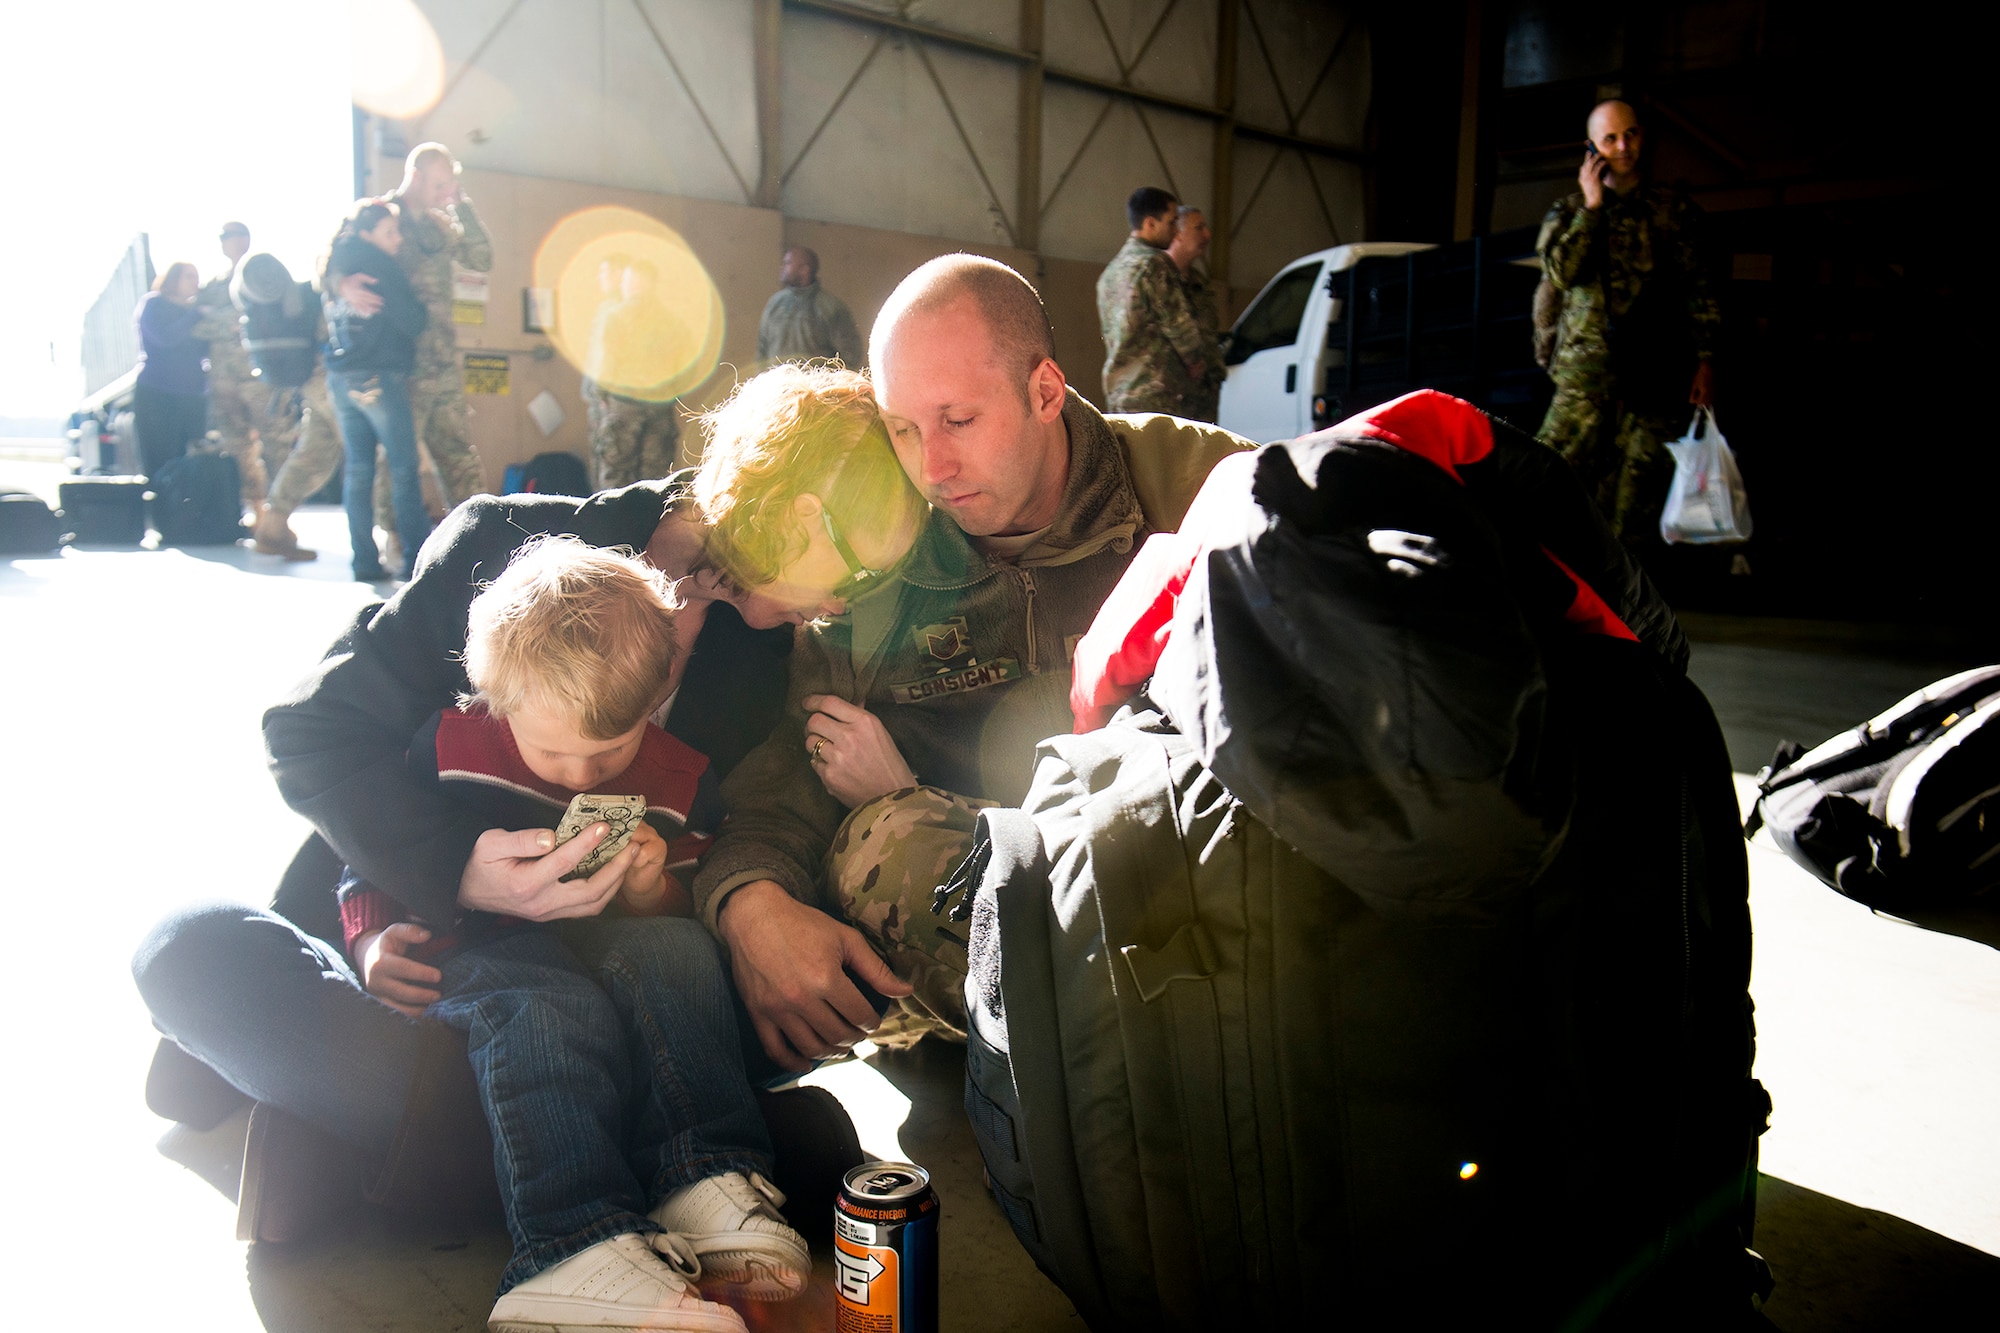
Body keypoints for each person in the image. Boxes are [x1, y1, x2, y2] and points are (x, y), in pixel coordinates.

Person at [132, 363, 923, 1259]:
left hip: (604, 994)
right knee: (184, 949)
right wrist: (452, 870)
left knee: (733, 1014)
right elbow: (310, 730)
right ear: (801, 520)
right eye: (855, 573)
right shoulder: (500, 550)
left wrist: (739, 901)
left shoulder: (760, 652)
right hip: (433, 963)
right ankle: (613, 1165)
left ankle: (403, 1146)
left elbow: (734, 823)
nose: (845, 604)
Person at [696, 254, 1254, 1069]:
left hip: (1188, 872)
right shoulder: (877, 566)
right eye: (903, 428)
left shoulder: (1192, 487)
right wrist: (748, 905)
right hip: (1000, 912)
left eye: (957, 421)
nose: (930, 469)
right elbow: (781, 788)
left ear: (1045, 392)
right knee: (877, 853)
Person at [333, 536, 806, 1330]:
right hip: (479, 957)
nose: (582, 777)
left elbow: (688, 904)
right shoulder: (449, 745)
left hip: (608, 951)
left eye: (611, 750)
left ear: (657, 695)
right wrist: (371, 939)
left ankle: (709, 1179)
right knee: (548, 999)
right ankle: (567, 1244)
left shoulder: (678, 774)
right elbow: (373, 852)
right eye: (552, 750)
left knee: (680, 951)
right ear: (497, 698)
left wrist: (657, 887)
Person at [1538, 99, 1719, 545]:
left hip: (1656, 371)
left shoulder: (1673, 211)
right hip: (1587, 374)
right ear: (1591, 148)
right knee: (1549, 475)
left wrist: (1705, 360)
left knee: (1637, 494)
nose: (1623, 146)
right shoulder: (1568, 212)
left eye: (1631, 134)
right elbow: (1561, 274)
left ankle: (1620, 595)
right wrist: (1592, 208)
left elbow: (1699, 289)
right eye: (1610, 138)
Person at [332, 142, 493, 511]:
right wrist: (339, 284)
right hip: (397, 359)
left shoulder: (439, 224)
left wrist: (461, 206)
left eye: (448, 186)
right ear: (415, 176)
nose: (443, 193)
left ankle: (480, 529)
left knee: (458, 452)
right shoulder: (378, 217)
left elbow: (481, 258)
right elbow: (332, 261)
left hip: (441, 358)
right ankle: (394, 537)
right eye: (439, 185)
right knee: (398, 459)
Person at [326, 199, 431, 581]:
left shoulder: (336, 265)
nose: (398, 239)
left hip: (342, 379)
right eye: (391, 231)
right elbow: (412, 320)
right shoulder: (379, 265)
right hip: (379, 377)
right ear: (367, 233)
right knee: (403, 469)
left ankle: (364, 562)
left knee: (358, 471)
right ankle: (418, 563)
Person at [232, 251, 339, 560]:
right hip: (329, 380)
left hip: (311, 381)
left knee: (313, 453)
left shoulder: (274, 301)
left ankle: (273, 527)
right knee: (373, 452)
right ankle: (397, 540)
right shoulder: (314, 291)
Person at [1095, 186, 1215, 415]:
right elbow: (1179, 324)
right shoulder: (1155, 264)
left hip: (1120, 392)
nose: (1174, 231)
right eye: (1171, 223)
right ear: (1150, 224)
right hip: (1156, 393)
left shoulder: (1111, 272)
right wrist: (1196, 361)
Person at [582, 254, 687, 489]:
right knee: (657, 481)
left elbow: (605, 365)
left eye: (628, 280)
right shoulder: (673, 322)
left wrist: (600, 398)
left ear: (638, 282)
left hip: (622, 408)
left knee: (615, 478)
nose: (624, 286)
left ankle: (613, 526)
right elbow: (684, 369)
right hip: (660, 409)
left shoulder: (615, 317)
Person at [193, 221, 270, 518]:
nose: (234, 242)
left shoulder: (263, 276)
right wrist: (229, 318)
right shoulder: (213, 287)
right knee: (237, 447)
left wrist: (219, 318)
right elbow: (196, 326)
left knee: (273, 444)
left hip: (260, 375)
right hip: (225, 379)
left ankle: (276, 516)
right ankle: (254, 509)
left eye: (239, 236)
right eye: (227, 237)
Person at [132, 261, 209, 477]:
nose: (196, 282)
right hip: (157, 393)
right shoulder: (154, 304)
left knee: (191, 460)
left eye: (196, 276)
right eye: (189, 276)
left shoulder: (196, 311)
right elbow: (164, 337)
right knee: (159, 459)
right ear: (173, 279)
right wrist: (195, 315)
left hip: (191, 395)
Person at [755, 246, 865, 370]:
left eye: (788, 263)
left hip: (814, 387)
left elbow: (850, 353)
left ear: (804, 269)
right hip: (778, 386)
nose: (782, 267)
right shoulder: (775, 303)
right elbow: (762, 348)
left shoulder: (830, 307)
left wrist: (829, 383)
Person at [1165, 205, 1227, 422]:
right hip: (1169, 399)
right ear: (1177, 233)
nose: (1207, 235)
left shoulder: (1201, 283)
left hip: (1203, 399)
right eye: (1198, 228)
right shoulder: (1156, 279)